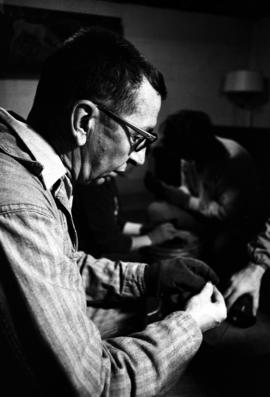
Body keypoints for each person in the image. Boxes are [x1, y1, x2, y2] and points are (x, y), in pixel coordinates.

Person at [0, 27, 226, 396]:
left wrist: (150, 277)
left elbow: (62, 266)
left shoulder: (24, 161)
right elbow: (99, 386)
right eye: (139, 138)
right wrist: (191, 325)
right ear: (84, 122)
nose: (139, 157)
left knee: (139, 312)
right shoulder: (20, 207)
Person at [144, 109, 263, 280]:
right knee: (156, 210)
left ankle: (209, 281)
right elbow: (188, 191)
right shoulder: (188, 154)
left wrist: (179, 198)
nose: (182, 157)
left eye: (183, 152)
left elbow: (225, 214)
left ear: (196, 144)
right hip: (202, 215)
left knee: (222, 245)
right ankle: (166, 269)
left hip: (232, 225)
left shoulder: (234, 161)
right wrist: (168, 191)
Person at [72, 175, 180, 261]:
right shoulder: (94, 187)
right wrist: (152, 238)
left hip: (98, 249)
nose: (140, 162)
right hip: (87, 257)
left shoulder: (108, 180)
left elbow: (113, 222)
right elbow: (112, 243)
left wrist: (146, 229)